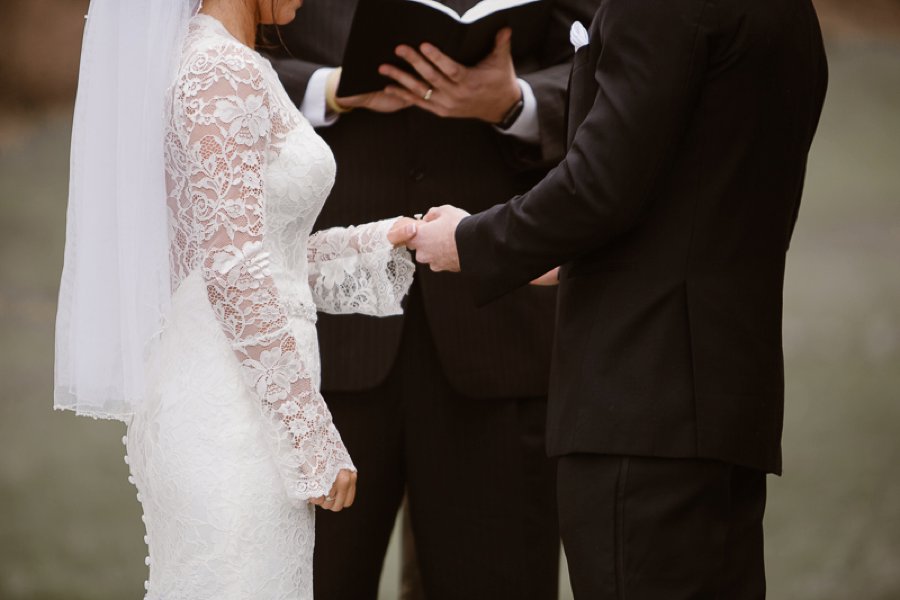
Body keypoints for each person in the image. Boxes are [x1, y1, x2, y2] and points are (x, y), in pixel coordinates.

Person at [408, 0, 829, 597]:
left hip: (639, 399)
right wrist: (559, 259)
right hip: (726, 402)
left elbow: (600, 183)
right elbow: (699, 182)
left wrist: (471, 241)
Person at [54, 0, 417, 598]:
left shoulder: (228, 63)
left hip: (239, 400)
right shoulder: (219, 70)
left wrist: (379, 242)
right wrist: (311, 436)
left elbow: (264, 257)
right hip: (230, 415)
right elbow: (235, 273)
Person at [264, 0, 598, 597]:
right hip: (320, 334)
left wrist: (514, 101)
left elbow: (617, 60)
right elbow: (203, 52)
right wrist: (329, 90)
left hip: (499, 327)